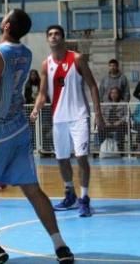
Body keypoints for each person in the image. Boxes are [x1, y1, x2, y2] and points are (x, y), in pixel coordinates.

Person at [0, 9, 74, 264]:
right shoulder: (25, 52)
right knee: (32, 189)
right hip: (18, 128)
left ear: (7, 25)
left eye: (4, 18)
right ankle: (60, 245)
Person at [30, 24, 105, 217]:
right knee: (62, 160)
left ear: (63, 38)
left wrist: (98, 113)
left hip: (79, 116)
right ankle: (70, 194)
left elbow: (93, 86)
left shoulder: (77, 59)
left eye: (57, 34)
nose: (54, 37)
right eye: (51, 35)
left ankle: (85, 199)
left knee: (81, 158)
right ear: (47, 40)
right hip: (59, 118)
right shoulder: (46, 64)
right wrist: (36, 108)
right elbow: (42, 93)